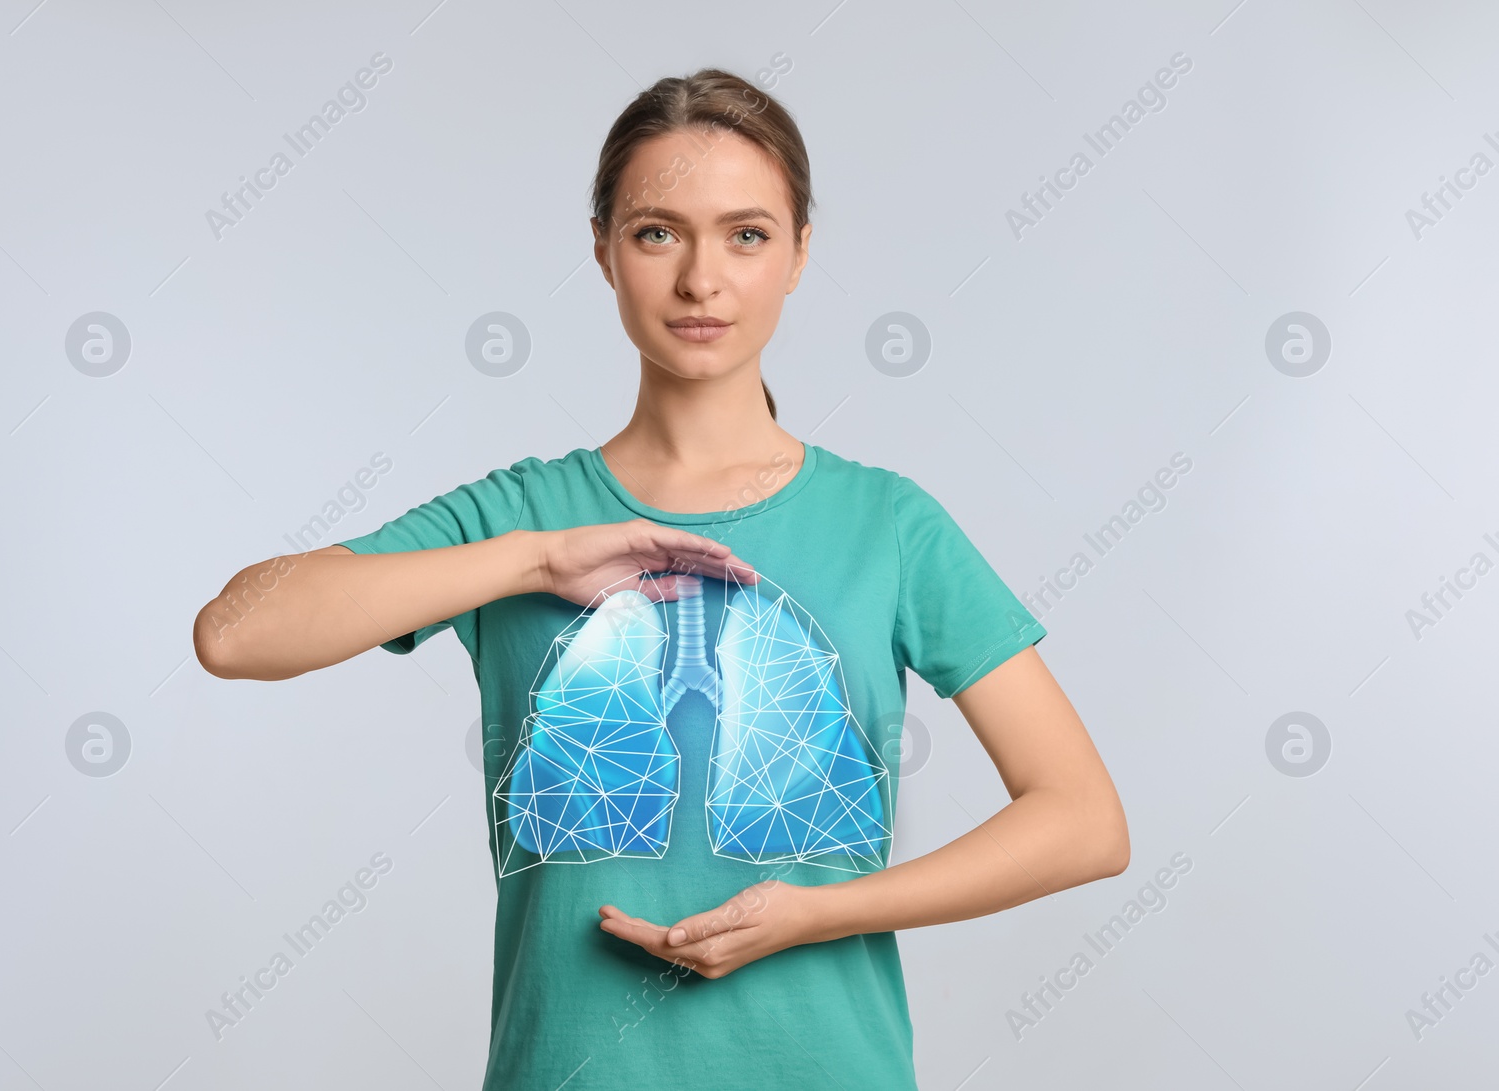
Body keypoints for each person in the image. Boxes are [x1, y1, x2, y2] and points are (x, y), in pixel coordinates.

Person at [193, 67, 1128, 1091]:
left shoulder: (887, 523)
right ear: (601, 249)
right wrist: (541, 559)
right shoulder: (519, 515)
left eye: (746, 234)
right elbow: (237, 633)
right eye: (656, 232)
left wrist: (817, 910)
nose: (700, 279)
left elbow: (1082, 819)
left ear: (800, 253)